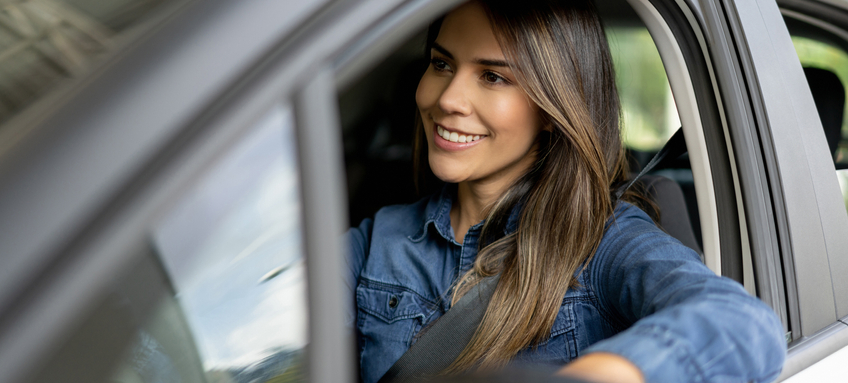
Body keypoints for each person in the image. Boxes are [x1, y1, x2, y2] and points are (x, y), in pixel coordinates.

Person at [345, 1, 786, 382]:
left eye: (493, 77)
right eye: (441, 64)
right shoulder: (376, 240)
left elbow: (742, 324)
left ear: (554, 107)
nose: (448, 99)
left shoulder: (605, 244)